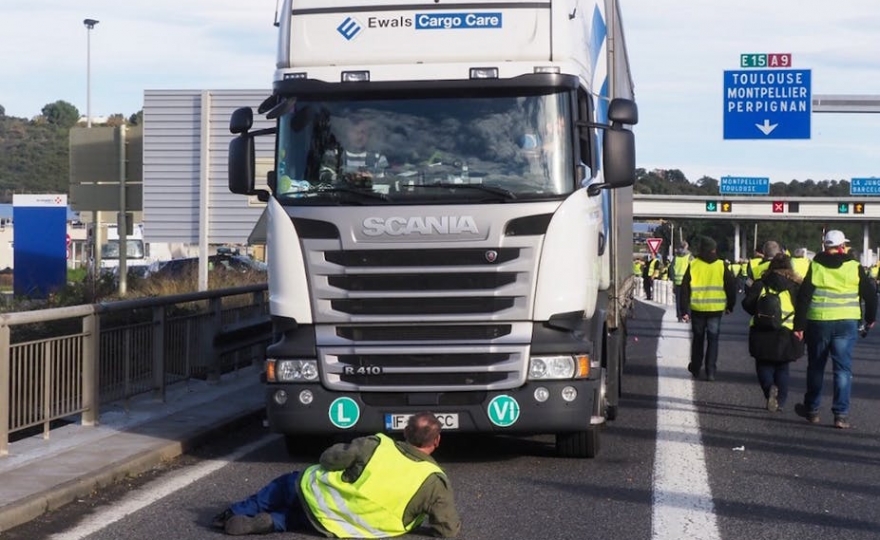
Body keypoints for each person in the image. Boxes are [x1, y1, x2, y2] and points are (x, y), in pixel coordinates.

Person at [212, 412, 461, 537]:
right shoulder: (434, 481)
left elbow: (328, 459)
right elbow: (447, 530)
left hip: (315, 495)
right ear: (437, 441)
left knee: (285, 485)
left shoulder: (376, 445)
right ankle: (271, 522)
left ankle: (234, 512)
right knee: (293, 520)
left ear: (405, 432)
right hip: (341, 525)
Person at [793, 230, 877, 429]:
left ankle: (812, 410)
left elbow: (804, 296)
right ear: (842, 246)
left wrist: (799, 325)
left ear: (825, 246)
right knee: (842, 370)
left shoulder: (816, 266)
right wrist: (870, 318)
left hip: (819, 322)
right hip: (846, 323)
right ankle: (841, 415)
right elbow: (870, 295)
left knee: (816, 367)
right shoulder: (854, 266)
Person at [741, 253, 804, 412]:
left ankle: (769, 389)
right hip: (786, 331)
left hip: (762, 329)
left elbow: (747, 303)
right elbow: (802, 309)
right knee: (783, 367)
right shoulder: (795, 285)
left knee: (763, 364)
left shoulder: (761, 283)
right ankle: (780, 402)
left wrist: (758, 313)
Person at [681, 236, 737, 381]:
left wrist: (684, 311)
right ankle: (711, 371)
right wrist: (730, 305)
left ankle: (695, 367)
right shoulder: (721, 265)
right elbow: (731, 287)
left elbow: (684, 289)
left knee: (698, 339)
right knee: (713, 340)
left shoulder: (693, 265)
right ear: (714, 249)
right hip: (715, 309)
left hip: (697, 308)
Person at [321, 117, 389, 187]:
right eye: (354, 131)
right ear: (347, 133)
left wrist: (370, 179)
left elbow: (384, 183)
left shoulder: (378, 159)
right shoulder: (333, 155)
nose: (359, 136)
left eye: (363, 132)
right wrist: (345, 177)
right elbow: (323, 176)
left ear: (368, 135)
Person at [668, 242, 692, 322]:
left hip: (677, 281)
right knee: (687, 299)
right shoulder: (689, 256)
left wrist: (672, 279)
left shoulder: (676, 257)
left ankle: (679, 316)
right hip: (687, 281)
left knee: (678, 300)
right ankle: (686, 315)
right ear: (686, 247)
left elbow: (671, 268)